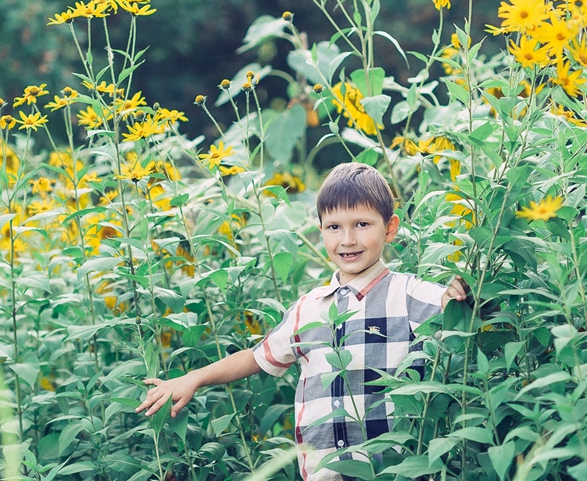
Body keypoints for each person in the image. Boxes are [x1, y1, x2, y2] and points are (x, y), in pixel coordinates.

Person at [135, 162, 468, 480]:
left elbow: (454, 308)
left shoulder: (408, 294)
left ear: (390, 228)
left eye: (362, 225)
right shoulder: (309, 308)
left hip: (391, 471)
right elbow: (256, 357)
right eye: (334, 227)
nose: (348, 240)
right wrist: (192, 378)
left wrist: (460, 295)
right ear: (320, 229)